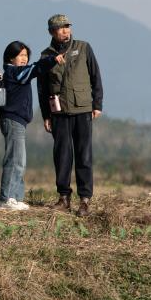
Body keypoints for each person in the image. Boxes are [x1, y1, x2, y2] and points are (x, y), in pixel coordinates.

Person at [37, 14, 104, 217]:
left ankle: (84, 200)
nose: (65, 30)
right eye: (60, 27)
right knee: (62, 156)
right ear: (51, 32)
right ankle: (63, 198)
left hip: (83, 109)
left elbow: (96, 76)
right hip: (59, 113)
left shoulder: (84, 48)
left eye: (67, 26)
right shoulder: (45, 56)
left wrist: (97, 103)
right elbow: (42, 88)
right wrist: (46, 115)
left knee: (84, 155)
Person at [0, 41, 63, 210]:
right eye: (21, 55)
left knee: (20, 160)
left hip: (18, 120)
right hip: (13, 119)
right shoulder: (14, 72)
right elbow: (35, 69)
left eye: (26, 55)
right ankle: (6, 198)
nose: (24, 59)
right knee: (14, 159)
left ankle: (16, 197)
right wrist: (52, 60)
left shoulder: (15, 72)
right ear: (11, 58)